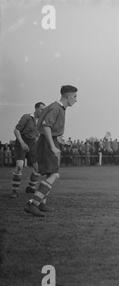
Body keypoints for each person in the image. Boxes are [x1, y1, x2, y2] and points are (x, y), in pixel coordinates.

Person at [24, 85, 78, 217]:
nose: (76, 100)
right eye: (75, 96)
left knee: (50, 174)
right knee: (54, 175)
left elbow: (47, 126)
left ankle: (41, 203)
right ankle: (33, 204)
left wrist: (60, 139)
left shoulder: (57, 107)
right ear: (67, 96)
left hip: (50, 141)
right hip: (48, 144)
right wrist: (53, 146)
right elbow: (46, 126)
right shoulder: (56, 108)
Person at [10, 102, 46, 198]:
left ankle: (30, 187)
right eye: (42, 109)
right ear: (36, 109)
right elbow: (16, 130)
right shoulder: (26, 117)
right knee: (19, 166)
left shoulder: (41, 122)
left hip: (32, 144)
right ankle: (14, 191)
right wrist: (22, 143)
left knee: (37, 168)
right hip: (21, 142)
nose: (43, 111)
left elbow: (39, 135)